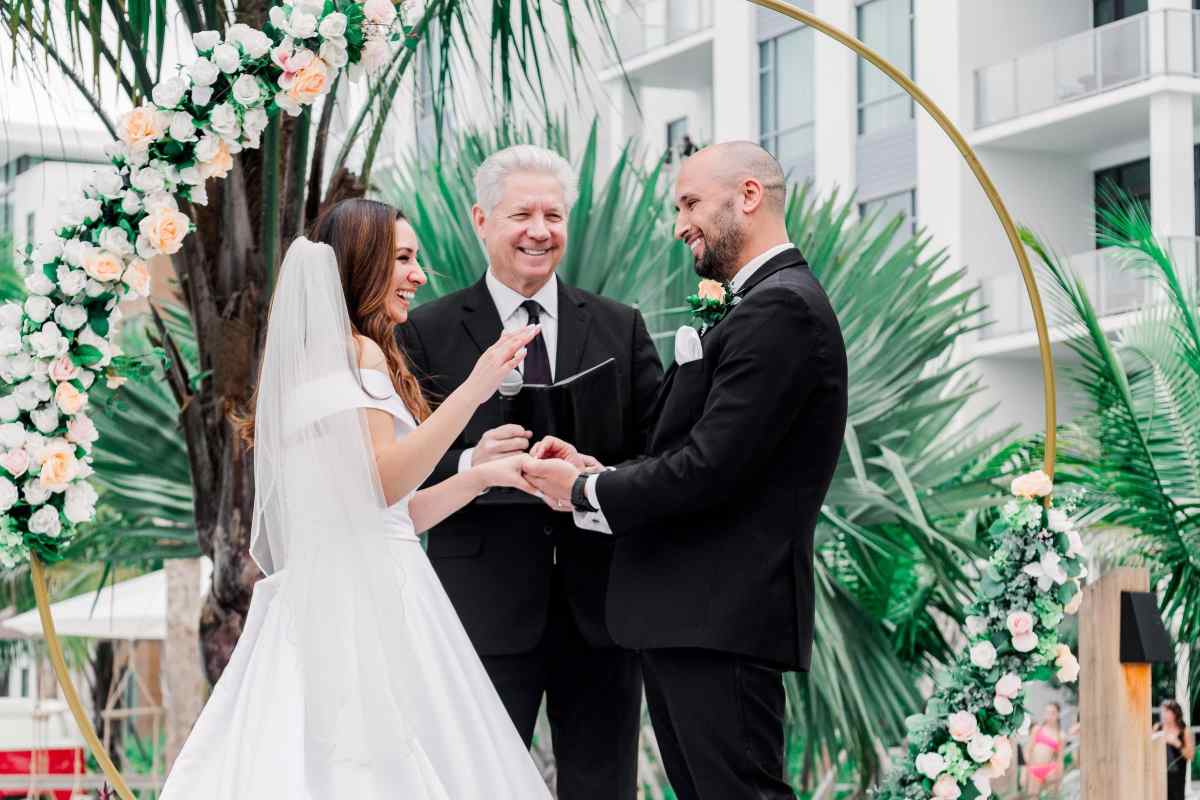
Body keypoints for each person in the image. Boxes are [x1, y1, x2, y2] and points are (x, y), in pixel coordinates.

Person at [160, 199, 552, 798]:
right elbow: (383, 482)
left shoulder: (318, 359)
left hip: (344, 583)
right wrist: (475, 388)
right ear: (360, 266)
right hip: (373, 602)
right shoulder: (356, 352)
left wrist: (481, 476)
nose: (419, 274)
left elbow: (389, 514)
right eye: (402, 258)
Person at [524, 141, 849, 800]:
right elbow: (700, 452)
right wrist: (592, 470)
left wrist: (584, 490)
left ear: (749, 195)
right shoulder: (760, 307)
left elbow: (706, 470)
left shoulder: (780, 309)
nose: (680, 224)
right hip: (694, 619)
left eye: (691, 203)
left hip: (719, 618)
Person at [398, 145, 663, 800]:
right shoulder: (424, 332)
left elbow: (661, 454)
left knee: (605, 789)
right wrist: (474, 462)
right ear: (481, 221)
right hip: (478, 609)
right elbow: (392, 472)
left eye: (554, 214)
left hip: (600, 610)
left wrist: (596, 474)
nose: (540, 231)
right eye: (522, 214)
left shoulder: (618, 326)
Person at [1024, 702, 1066, 796]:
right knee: (1032, 796)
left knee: (1050, 796)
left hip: (1050, 770)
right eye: (1047, 712)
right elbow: (1028, 750)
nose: (1049, 716)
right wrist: (1028, 768)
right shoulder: (1037, 729)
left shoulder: (1060, 735)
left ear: (1058, 715)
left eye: (1053, 713)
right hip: (1034, 769)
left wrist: (1060, 780)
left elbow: (1060, 760)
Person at [1157, 699, 1195, 800]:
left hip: (1177, 779)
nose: (1163, 715)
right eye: (1162, 711)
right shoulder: (1157, 728)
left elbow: (1191, 756)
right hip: (1159, 777)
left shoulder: (1185, 731)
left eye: (1166, 711)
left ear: (1175, 713)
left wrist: (1177, 743)